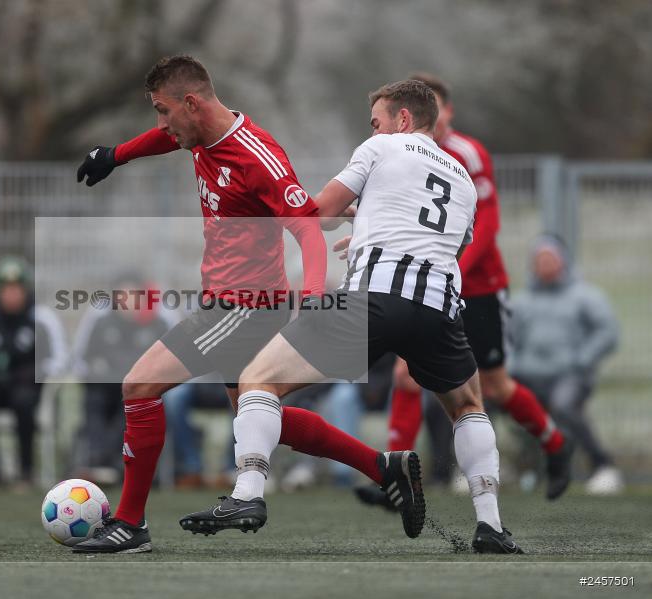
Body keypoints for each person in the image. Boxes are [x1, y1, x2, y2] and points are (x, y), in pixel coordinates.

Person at [182, 79, 524, 554]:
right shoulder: (464, 179)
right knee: (468, 406)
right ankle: (490, 525)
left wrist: (344, 222)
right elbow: (443, 243)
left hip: (373, 299)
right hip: (439, 305)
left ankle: (247, 493)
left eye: (377, 118)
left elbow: (320, 214)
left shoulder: (382, 146)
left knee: (256, 380)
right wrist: (369, 229)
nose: (374, 127)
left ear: (402, 119)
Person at [72, 55, 390, 554]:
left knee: (138, 386)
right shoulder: (199, 134)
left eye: (163, 110)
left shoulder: (256, 156)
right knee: (258, 418)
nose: (160, 124)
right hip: (228, 301)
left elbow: (305, 226)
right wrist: (116, 154)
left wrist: (311, 296)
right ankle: (383, 467)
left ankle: (130, 523)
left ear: (192, 103)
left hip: (244, 307)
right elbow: (165, 137)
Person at [356, 73, 573, 506]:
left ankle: (554, 443)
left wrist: (451, 262)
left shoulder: (466, 154)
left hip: (479, 288)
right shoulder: (401, 152)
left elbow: (488, 224)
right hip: (427, 286)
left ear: (446, 111)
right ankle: (398, 476)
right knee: (406, 375)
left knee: (494, 386)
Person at [509, 235, 621, 494]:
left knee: (564, 404)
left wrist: (581, 360)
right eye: (540, 259)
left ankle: (603, 466)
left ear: (563, 262)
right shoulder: (521, 301)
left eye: (551, 258)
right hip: (525, 375)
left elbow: (608, 332)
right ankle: (486, 469)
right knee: (486, 397)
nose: (545, 264)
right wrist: (511, 365)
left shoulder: (586, 297)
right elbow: (505, 337)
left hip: (569, 376)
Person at [0, 256, 68, 488]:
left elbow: (57, 360)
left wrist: (36, 373)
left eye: (17, 289)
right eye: (6, 289)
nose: (11, 295)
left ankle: (25, 471)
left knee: (24, 402)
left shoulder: (42, 320)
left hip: (25, 386)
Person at [70, 271, 179, 485]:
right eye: (123, 294)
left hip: (143, 390)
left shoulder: (158, 322)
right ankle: (98, 460)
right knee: (93, 400)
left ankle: (107, 463)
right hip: (105, 386)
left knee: (131, 405)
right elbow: (82, 358)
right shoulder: (101, 322)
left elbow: (171, 362)